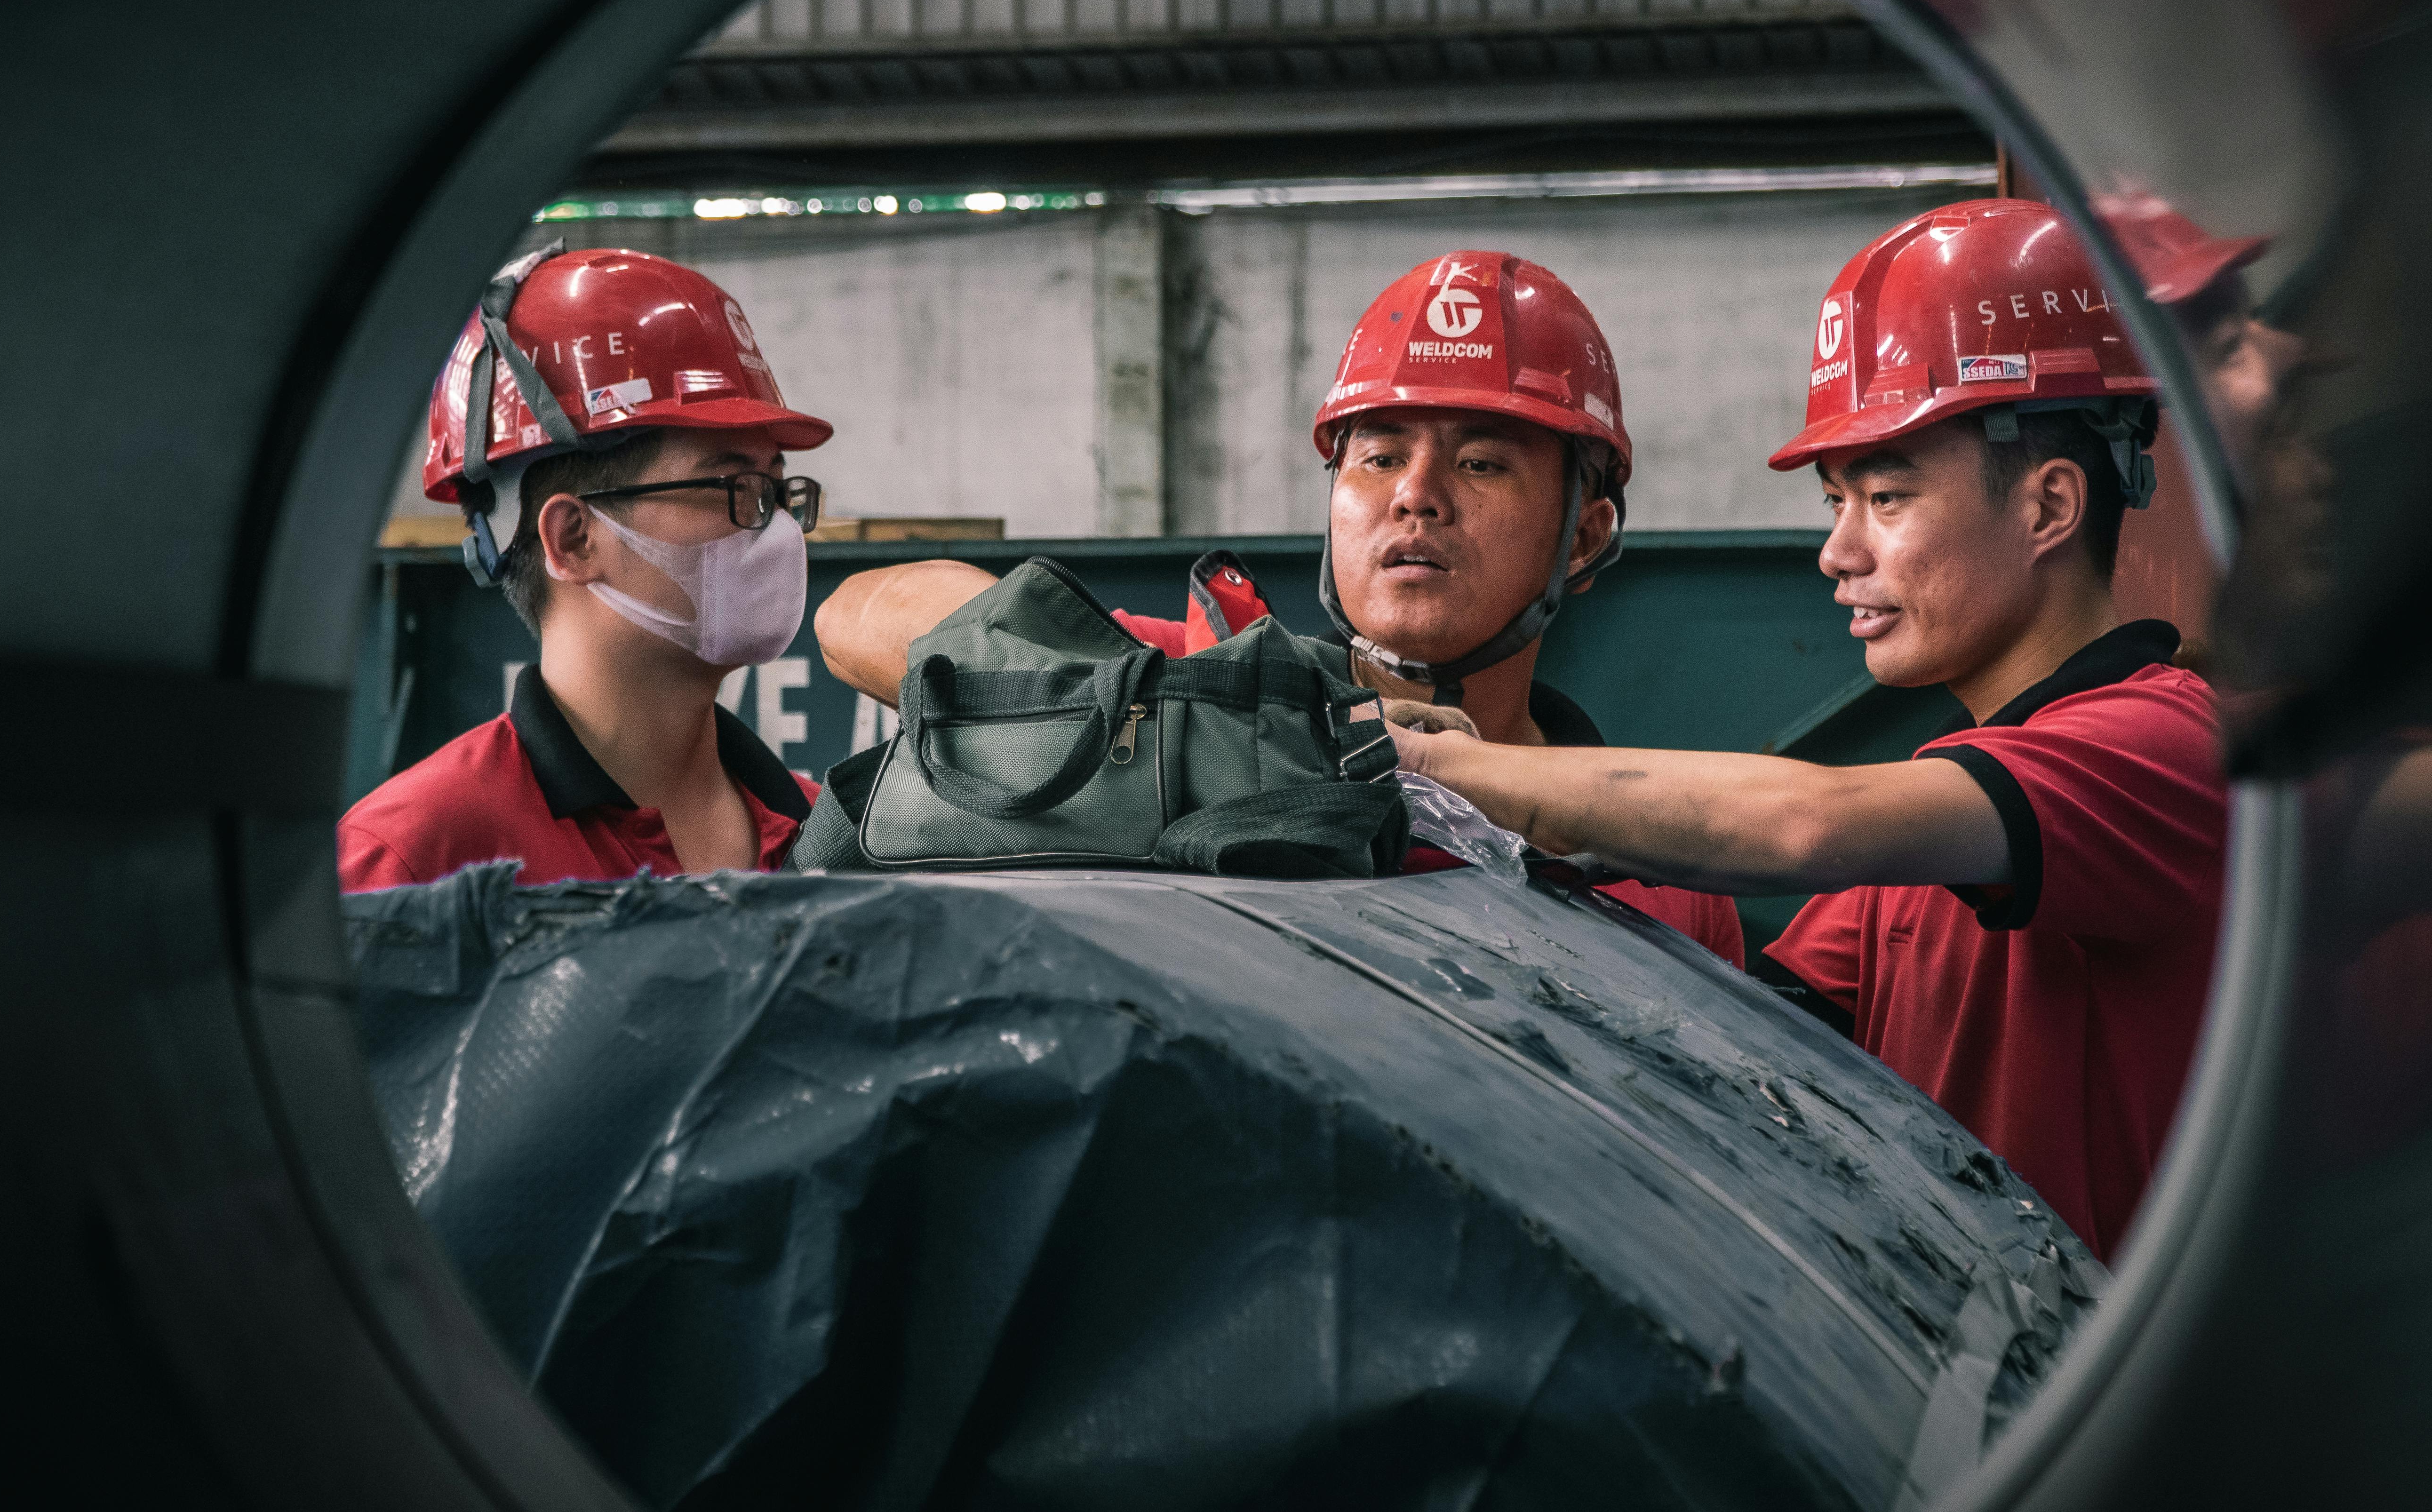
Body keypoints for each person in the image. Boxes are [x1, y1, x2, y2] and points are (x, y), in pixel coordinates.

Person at [1387, 199, 2237, 1260]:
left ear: (2047, 506)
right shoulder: (1925, 848)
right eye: (1836, 501)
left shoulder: (2158, 743)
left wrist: (1434, 761)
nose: (1837, 552)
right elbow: (1735, 1055)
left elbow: (1802, 821)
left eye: (1883, 496)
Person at [815, 251, 1744, 963]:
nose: (1414, 496)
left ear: (1582, 537)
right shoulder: (1186, 701)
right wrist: (1203, 709)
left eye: (1480, 463)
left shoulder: (1653, 868)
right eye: (1377, 457)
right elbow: (857, 614)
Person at [338, 245, 833, 891]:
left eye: (777, 490)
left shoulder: (825, 835)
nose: (778, 529)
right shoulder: (414, 859)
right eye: (733, 485)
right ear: (572, 540)